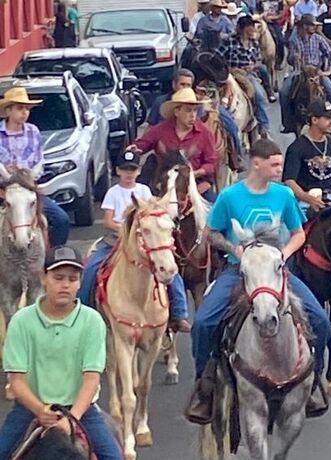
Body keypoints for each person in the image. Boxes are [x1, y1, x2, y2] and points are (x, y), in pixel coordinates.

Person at [192, 138, 331, 415]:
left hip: (276, 271)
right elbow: (211, 233)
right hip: (239, 270)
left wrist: (284, 255)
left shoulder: (284, 195)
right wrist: (235, 249)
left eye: (280, 164)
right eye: (275, 164)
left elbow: (298, 233)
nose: (280, 169)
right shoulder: (230, 196)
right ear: (257, 163)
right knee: (204, 321)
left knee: (320, 319)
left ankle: (314, 378)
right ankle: (204, 385)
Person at [0, 246, 123, 459]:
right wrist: (40, 410)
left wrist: (72, 418)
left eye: (72, 279)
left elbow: (91, 379)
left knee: (114, 457)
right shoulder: (22, 321)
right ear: (43, 277)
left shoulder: (92, 321)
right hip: (30, 407)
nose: (65, 285)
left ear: (79, 282)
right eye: (58, 278)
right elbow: (16, 380)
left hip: (81, 410)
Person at [77, 151, 192, 332]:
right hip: (116, 238)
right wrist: (125, 230)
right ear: (118, 171)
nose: (128, 174)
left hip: (144, 238)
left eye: (132, 169)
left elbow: (153, 213)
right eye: (124, 170)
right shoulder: (113, 192)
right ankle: (83, 311)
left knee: (171, 270)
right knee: (91, 267)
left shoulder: (144, 191)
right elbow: (108, 220)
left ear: (138, 171)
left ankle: (179, 313)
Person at [0, 87, 70, 246]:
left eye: (26, 109)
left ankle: (51, 256)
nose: (24, 112)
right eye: (19, 108)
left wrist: (28, 175)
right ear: (8, 110)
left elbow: (39, 161)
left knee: (61, 219)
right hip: (3, 189)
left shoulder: (33, 131)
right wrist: (6, 174)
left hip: (28, 188)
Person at [128, 88, 218, 202]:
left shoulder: (205, 133)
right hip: (162, 182)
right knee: (137, 206)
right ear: (177, 112)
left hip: (195, 183)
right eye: (188, 110)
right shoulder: (160, 130)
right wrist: (133, 150)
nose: (193, 115)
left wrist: (194, 173)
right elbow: (143, 144)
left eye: (195, 111)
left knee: (214, 211)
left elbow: (211, 162)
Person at [281, 14, 331, 133]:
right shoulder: (295, 40)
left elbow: (330, 53)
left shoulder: (318, 39)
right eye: (312, 25)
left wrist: (329, 69)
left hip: (316, 71)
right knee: (283, 92)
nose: (314, 28)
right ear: (304, 26)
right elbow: (290, 59)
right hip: (300, 71)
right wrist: (294, 57)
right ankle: (287, 123)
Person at [216, 15, 273, 134]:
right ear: (243, 28)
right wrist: (228, 68)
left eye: (253, 26)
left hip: (248, 75)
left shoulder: (254, 43)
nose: (253, 29)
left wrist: (253, 66)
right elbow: (218, 57)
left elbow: (258, 59)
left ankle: (264, 125)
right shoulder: (229, 41)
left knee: (259, 95)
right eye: (250, 27)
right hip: (231, 74)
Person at [258, 0, 287, 69]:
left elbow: (281, 14)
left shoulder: (280, 2)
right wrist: (263, 17)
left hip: (273, 22)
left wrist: (272, 18)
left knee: (280, 40)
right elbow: (258, 12)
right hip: (262, 21)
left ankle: (279, 60)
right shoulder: (260, 1)